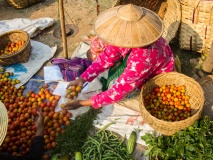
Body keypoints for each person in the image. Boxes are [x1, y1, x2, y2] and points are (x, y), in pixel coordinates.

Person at [64, 4, 175, 110]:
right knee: (114, 70)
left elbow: (118, 92)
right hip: (145, 62)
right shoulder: (125, 36)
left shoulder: (144, 56)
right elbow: (106, 57)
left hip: (154, 74)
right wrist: (82, 79)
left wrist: (82, 103)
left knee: (120, 88)